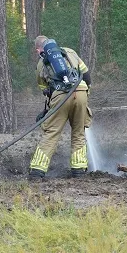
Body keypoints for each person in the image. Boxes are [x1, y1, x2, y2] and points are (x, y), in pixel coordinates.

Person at [29, 35, 92, 180]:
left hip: (60, 95)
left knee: (52, 132)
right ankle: (79, 170)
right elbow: (87, 76)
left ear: (39, 49)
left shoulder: (41, 63)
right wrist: (85, 94)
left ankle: (37, 171)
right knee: (78, 132)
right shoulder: (70, 52)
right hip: (81, 91)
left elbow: (45, 89)